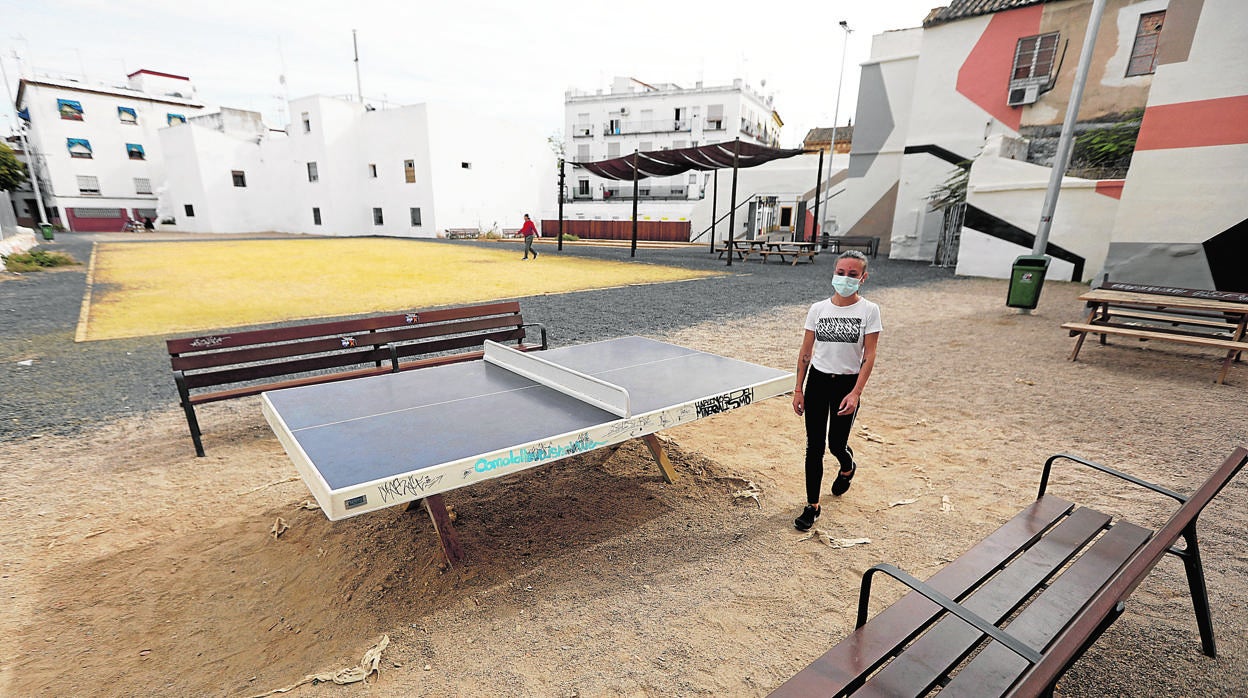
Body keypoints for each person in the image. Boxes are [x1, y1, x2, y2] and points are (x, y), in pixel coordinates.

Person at [792, 250, 882, 531]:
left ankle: (847, 466)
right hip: (818, 382)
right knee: (814, 447)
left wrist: (855, 393)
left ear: (863, 278)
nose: (845, 278)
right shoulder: (818, 309)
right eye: (841, 272)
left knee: (836, 445)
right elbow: (806, 353)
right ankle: (812, 506)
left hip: (846, 384)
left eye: (852, 274)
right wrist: (798, 389)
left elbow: (869, 355)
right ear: (834, 273)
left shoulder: (869, 311)